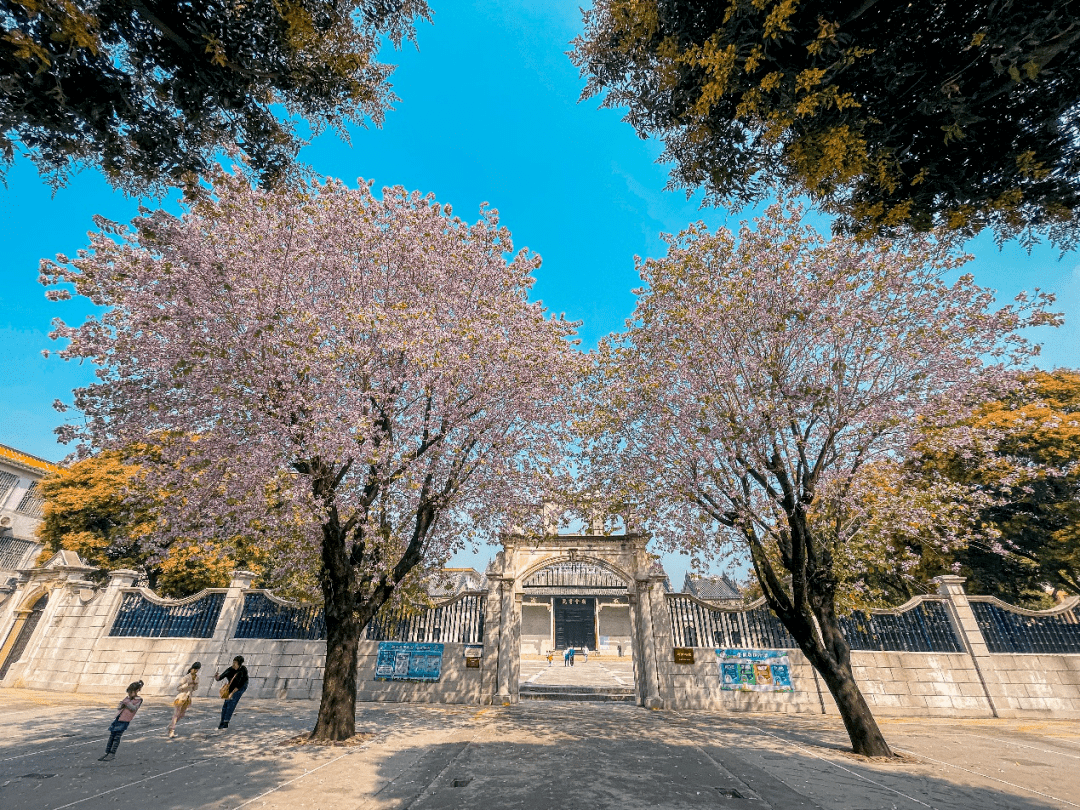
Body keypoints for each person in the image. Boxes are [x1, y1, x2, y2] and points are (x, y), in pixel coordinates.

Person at [99, 680, 143, 761]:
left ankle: (112, 753)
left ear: (136, 691)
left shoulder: (139, 700)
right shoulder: (127, 698)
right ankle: (107, 752)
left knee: (117, 737)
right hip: (118, 718)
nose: (129, 694)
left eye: (131, 692)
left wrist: (127, 703)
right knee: (112, 736)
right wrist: (121, 704)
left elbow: (133, 709)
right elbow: (119, 708)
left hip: (125, 720)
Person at [213, 655, 249, 729]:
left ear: (239, 664)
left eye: (235, 663)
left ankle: (226, 722)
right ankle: (222, 722)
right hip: (231, 686)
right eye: (233, 662)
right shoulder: (230, 669)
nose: (233, 664)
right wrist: (217, 677)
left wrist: (231, 694)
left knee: (232, 702)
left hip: (241, 686)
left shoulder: (243, 671)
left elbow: (238, 685)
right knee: (226, 704)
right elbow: (220, 678)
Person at [167, 661, 200, 738]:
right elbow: (178, 688)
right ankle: (172, 730)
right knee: (176, 714)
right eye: (194, 669)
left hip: (188, 698)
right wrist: (187, 685)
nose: (195, 671)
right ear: (192, 669)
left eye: (197, 670)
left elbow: (195, 689)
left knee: (181, 715)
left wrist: (195, 684)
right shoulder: (185, 677)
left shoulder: (197, 678)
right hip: (181, 697)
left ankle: (171, 725)